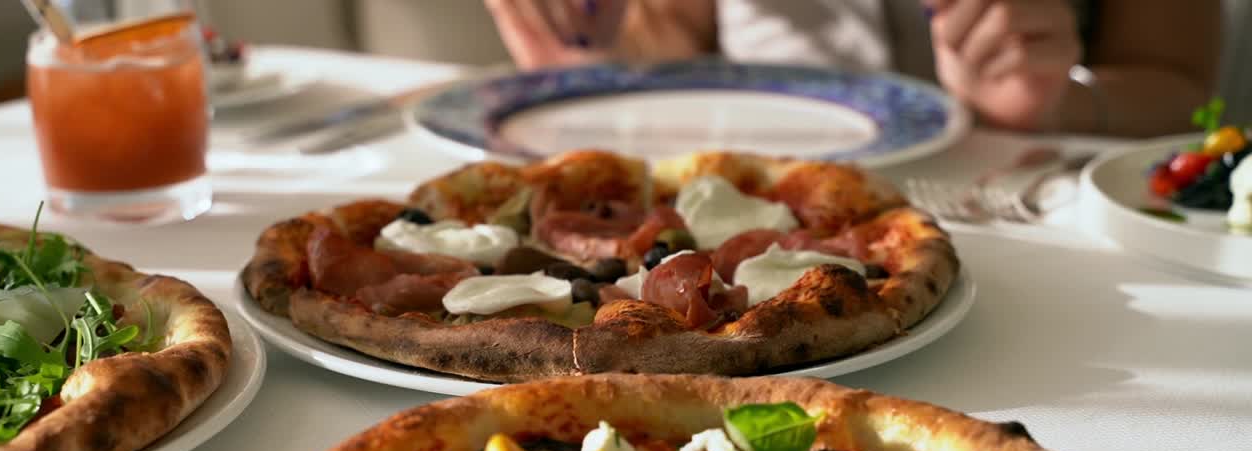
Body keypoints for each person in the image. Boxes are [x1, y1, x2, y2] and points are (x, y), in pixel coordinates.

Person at [483, 0, 1222, 137]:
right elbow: (673, 52)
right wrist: (592, 60)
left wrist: (1058, 105)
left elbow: (1191, 97)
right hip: (760, 214)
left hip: (1029, 209)